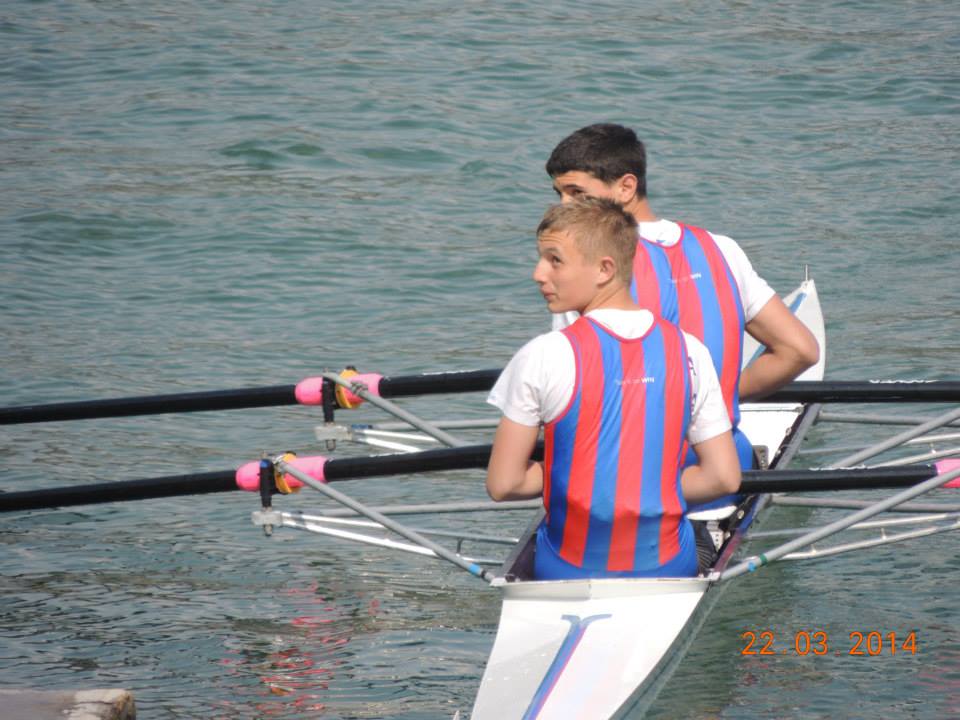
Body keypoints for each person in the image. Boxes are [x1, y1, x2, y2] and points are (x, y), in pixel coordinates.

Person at [485, 198, 740, 580]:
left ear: (605, 269)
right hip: (670, 563)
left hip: (565, 571)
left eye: (555, 260)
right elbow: (723, 478)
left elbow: (504, 484)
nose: (538, 274)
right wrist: (644, 485)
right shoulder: (691, 351)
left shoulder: (542, 355)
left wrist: (587, 480)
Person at [545, 123, 820, 475]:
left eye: (576, 194)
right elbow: (800, 350)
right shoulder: (721, 249)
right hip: (725, 464)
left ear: (626, 187)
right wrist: (712, 400)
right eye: (559, 194)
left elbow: (569, 396)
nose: (563, 207)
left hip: (637, 476)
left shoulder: (588, 266)